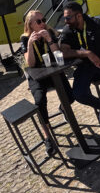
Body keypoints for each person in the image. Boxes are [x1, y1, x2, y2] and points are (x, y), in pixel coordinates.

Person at [20, 10, 74, 156]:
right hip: (37, 74)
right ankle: (47, 137)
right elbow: (30, 64)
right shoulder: (25, 39)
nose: (43, 23)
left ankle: (63, 108)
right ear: (30, 25)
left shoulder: (49, 32)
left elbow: (58, 56)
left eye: (43, 19)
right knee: (39, 102)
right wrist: (30, 44)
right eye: (39, 21)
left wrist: (49, 40)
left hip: (53, 70)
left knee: (70, 96)